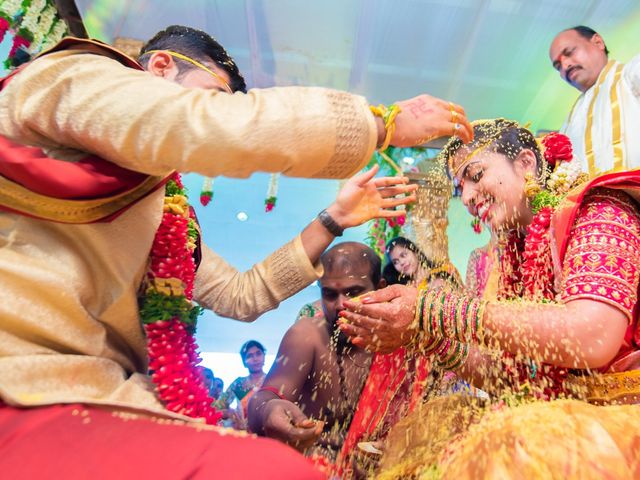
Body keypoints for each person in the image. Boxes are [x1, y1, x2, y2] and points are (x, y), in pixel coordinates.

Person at [0, 22, 473, 478]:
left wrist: (335, 220)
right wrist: (381, 124)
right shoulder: (72, 77)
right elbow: (191, 123)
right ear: (161, 67)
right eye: (215, 100)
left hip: (99, 400)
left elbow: (239, 295)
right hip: (23, 381)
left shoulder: (164, 211)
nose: (220, 115)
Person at [339, 119, 640, 477]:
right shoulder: (515, 250)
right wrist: (426, 336)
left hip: (621, 416)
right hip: (563, 412)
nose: (465, 197)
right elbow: (507, 375)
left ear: (526, 163)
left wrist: (431, 308)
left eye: (475, 174)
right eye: (460, 186)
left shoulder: (601, 210)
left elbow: (592, 337)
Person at [247, 242, 384, 470]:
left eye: (354, 292)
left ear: (379, 288)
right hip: (314, 468)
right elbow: (262, 401)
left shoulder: (396, 341)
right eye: (330, 294)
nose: (341, 304)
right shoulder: (306, 336)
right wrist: (269, 410)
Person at [550, 26, 640, 176]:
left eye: (569, 52)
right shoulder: (568, 125)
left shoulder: (629, 75)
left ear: (598, 42)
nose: (565, 66)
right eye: (558, 66)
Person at [215, 340, 267, 429]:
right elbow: (218, 407)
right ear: (244, 362)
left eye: (258, 354)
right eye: (250, 356)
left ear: (264, 356)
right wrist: (229, 413)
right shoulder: (239, 384)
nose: (255, 359)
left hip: (266, 433)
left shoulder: (270, 380)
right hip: (241, 433)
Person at [383, 236, 460, 289]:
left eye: (403, 255)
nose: (402, 262)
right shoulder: (406, 290)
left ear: (415, 252)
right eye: (395, 262)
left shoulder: (444, 270)